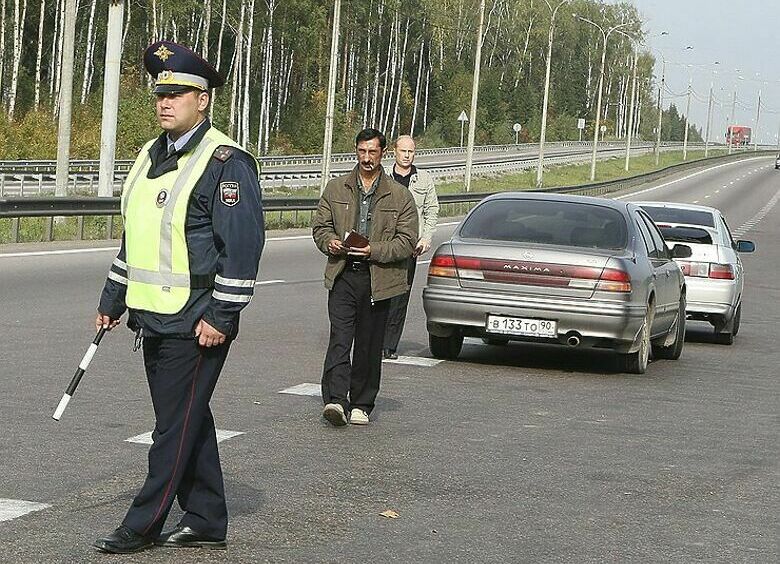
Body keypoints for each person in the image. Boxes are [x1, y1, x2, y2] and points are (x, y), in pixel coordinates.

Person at [92, 40, 264, 554]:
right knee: (186, 418)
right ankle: (208, 517)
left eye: (178, 93)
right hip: (152, 316)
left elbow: (242, 247)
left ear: (203, 99)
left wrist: (222, 315)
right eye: (160, 94)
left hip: (197, 321)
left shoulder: (225, 161)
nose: (165, 102)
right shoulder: (151, 155)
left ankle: (143, 524)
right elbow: (137, 236)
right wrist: (112, 299)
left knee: (172, 427)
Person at [312, 128, 418, 426]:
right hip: (344, 273)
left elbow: (407, 241)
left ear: (382, 152)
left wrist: (373, 249)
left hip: (379, 279)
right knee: (341, 338)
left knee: (369, 344)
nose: (367, 158)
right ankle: (335, 400)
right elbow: (320, 227)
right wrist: (330, 242)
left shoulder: (399, 196)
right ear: (355, 151)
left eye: (372, 152)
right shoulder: (336, 189)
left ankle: (361, 402)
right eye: (362, 151)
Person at [382, 135, 439, 359]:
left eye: (411, 152)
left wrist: (425, 238)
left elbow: (431, 210)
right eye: (403, 151)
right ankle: (374, 340)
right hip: (383, 245)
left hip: (409, 246)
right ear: (394, 152)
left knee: (399, 296)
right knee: (378, 295)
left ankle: (389, 345)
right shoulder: (384, 177)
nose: (407, 155)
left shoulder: (423, 179)